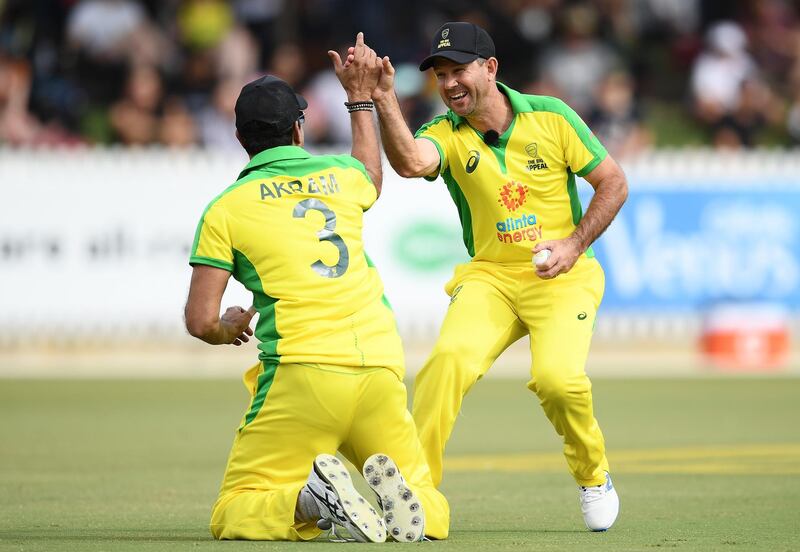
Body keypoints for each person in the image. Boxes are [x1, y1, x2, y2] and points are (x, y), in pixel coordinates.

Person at [346, 22, 628, 531]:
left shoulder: (551, 116)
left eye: (459, 71)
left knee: (557, 382)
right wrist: (384, 98)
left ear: (490, 68)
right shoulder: (444, 133)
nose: (450, 84)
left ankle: (594, 475)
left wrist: (573, 243)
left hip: (563, 276)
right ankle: (418, 496)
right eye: (441, 75)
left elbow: (612, 182)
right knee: (446, 364)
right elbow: (410, 163)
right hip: (491, 278)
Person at [183, 33, 449, 542]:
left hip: (303, 373)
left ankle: (311, 499)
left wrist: (226, 329)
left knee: (234, 509)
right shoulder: (338, 175)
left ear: (241, 140)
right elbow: (372, 173)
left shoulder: (226, 208)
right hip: (379, 364)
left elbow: (200, 319)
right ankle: (423, 512)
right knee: (423, 494)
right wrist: (360, 99)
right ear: (299, 130)